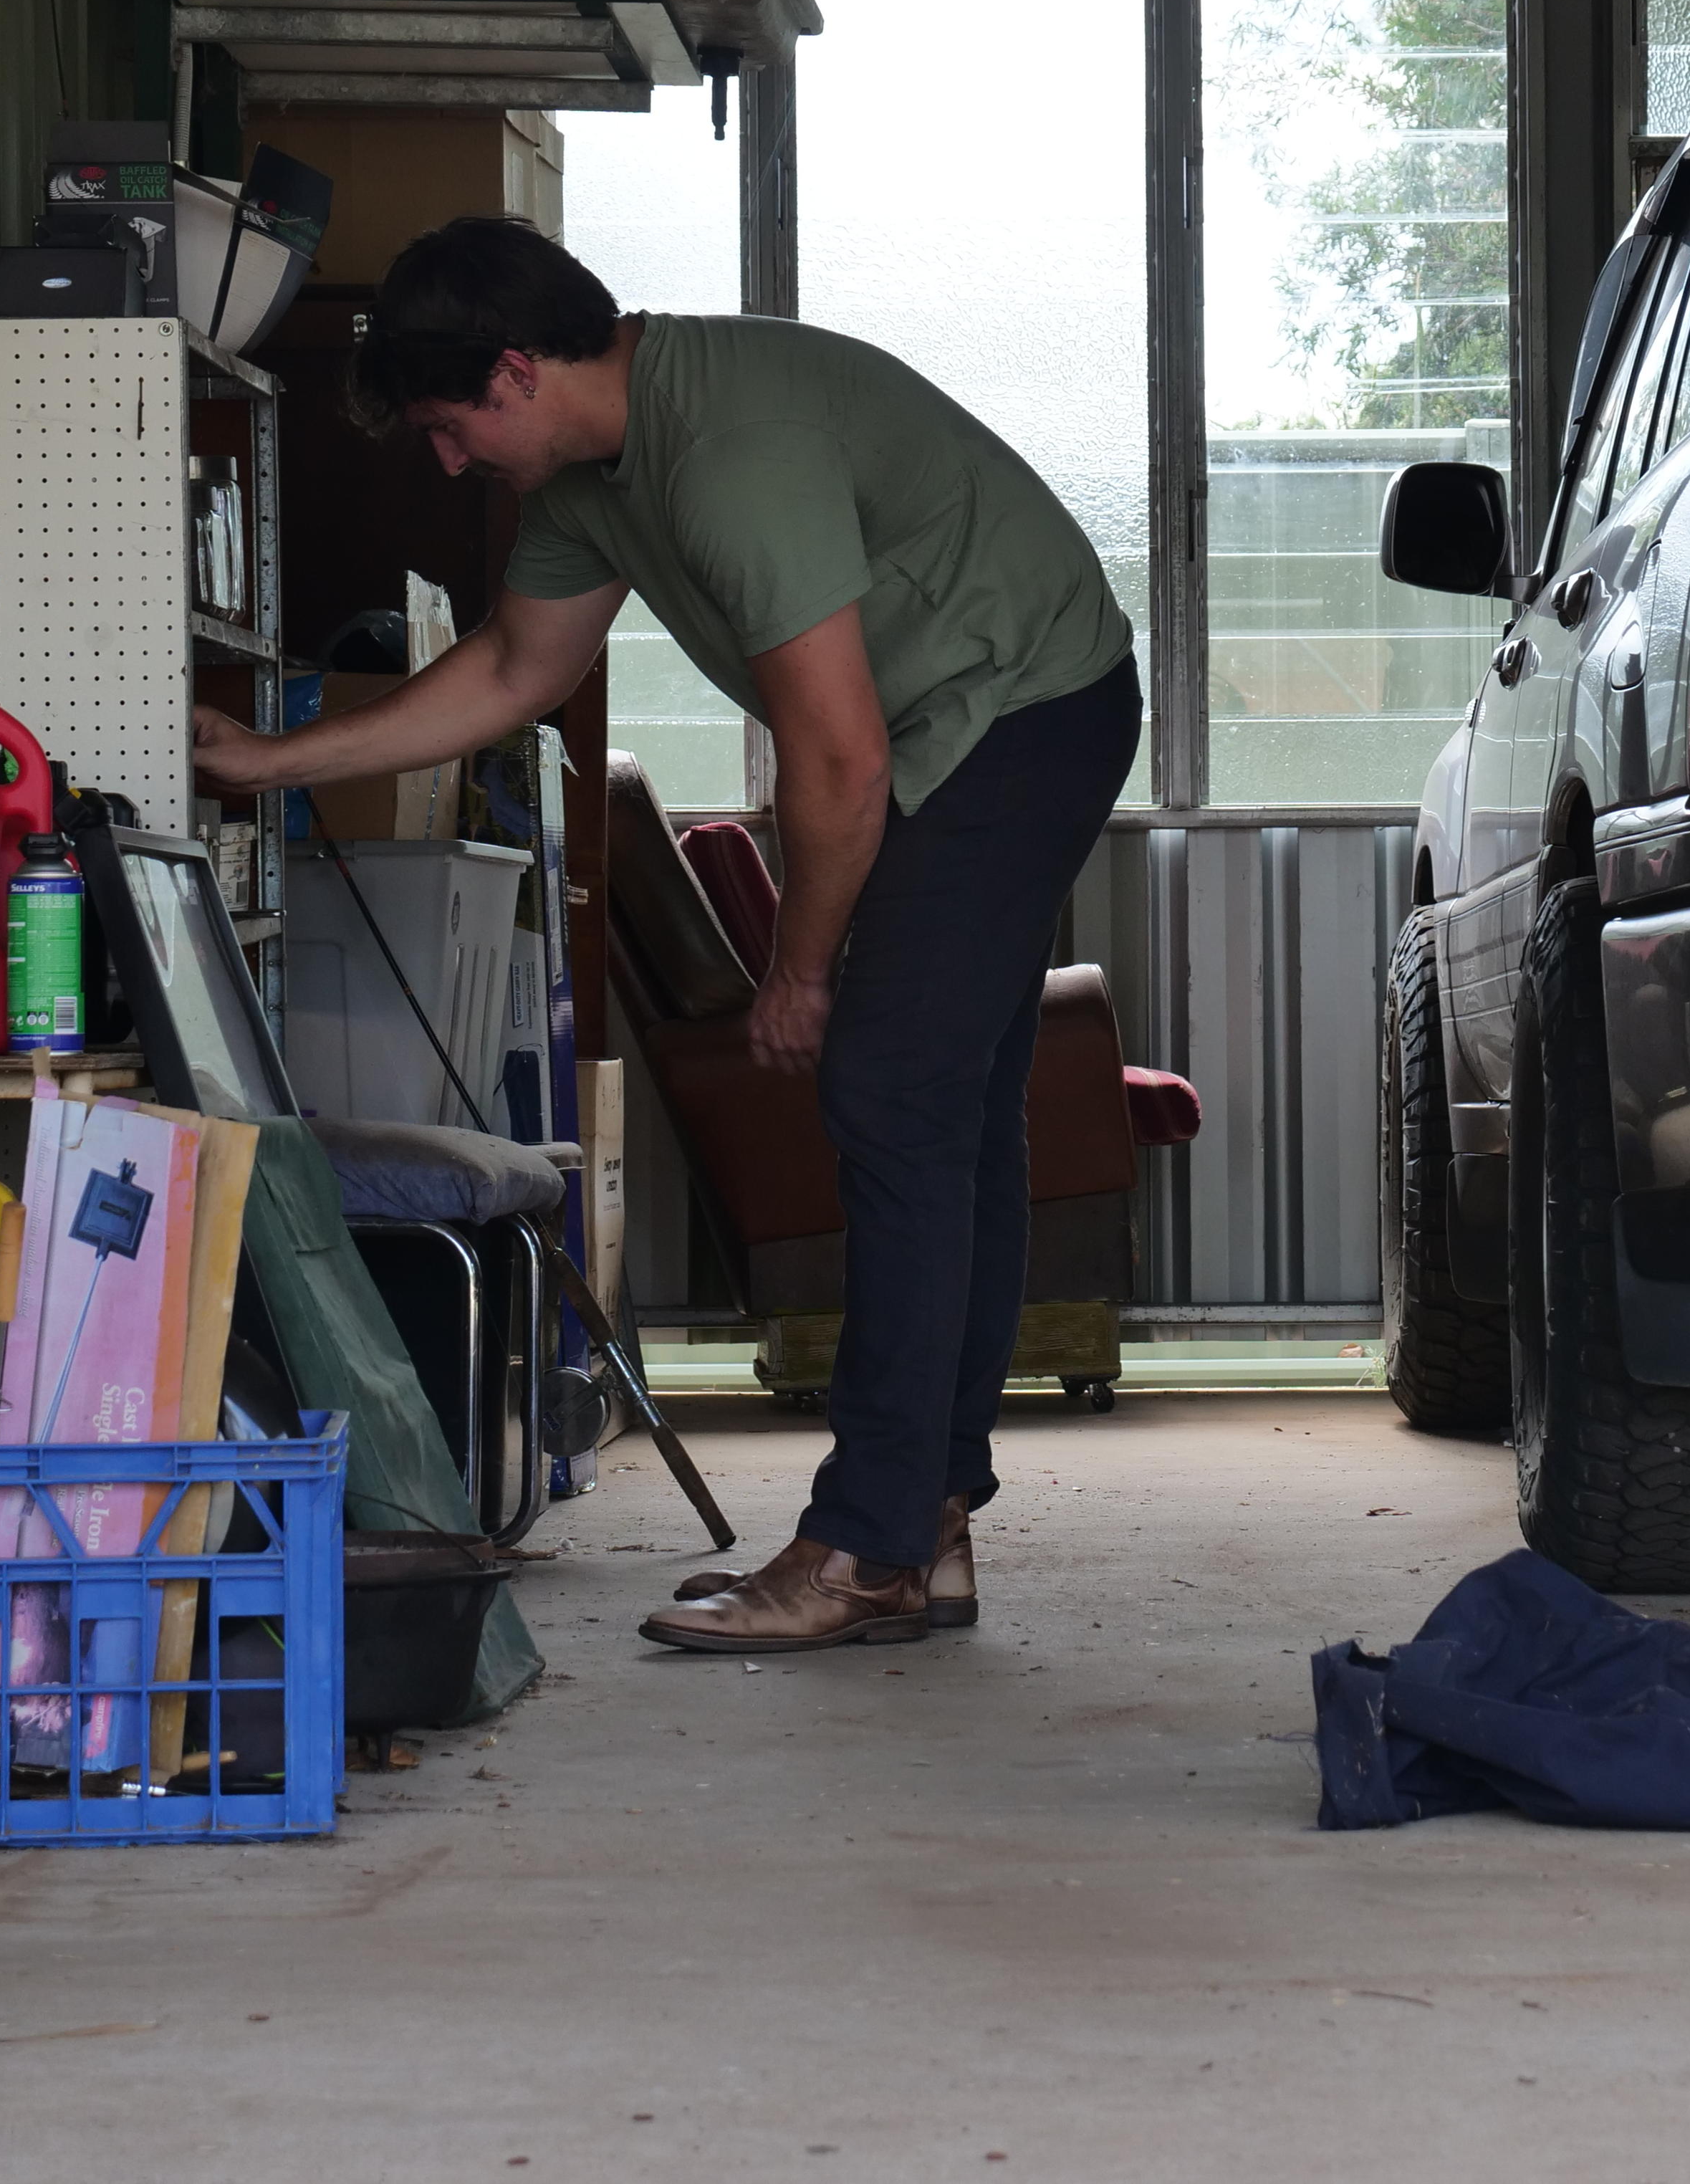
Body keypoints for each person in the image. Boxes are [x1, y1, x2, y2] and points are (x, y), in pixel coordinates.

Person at [192, 216, 1139, 1656]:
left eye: (452, 429)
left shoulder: (728, 452)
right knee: (943, 1106)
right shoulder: (593, 480)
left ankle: (868, 1543)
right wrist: (268, 763)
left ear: (516, 372)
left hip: (1025, 706)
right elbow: (516, 667)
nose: (450, 465)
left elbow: (839, 762)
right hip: (958, 719)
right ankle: (923, 1522)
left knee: (890, 1087)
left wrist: (800, 970)